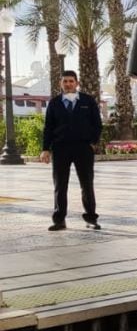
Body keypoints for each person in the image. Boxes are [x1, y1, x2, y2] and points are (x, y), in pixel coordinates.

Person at [40, 70, 102, 231]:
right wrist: (45, 149)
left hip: (83, 148)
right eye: (65, 81)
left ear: (77, 83)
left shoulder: (88, 101)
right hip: (61, 148)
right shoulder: (54, 103)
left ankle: (91, 219)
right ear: (61, 83)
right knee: (60, 185)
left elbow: (97, 124)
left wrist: (93, 142)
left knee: (87, 184)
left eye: (71, 81)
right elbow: (48, 127)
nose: (68, 84)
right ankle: (59, 220)